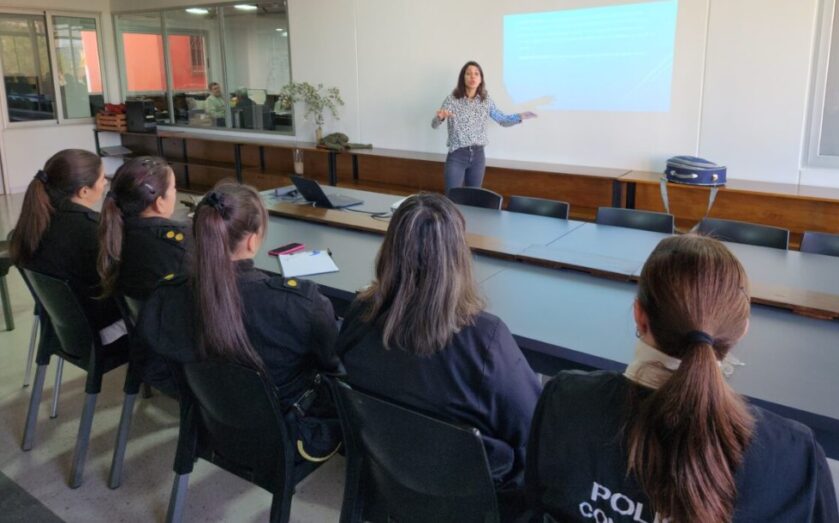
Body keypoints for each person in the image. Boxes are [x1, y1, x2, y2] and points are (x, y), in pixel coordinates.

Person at [524, 235, 839, 523]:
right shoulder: (794, 457)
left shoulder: (562, 401)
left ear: (639, 315)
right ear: (742, 329)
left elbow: (537, 506)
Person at [335, 193, 541, 489]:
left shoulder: (358, 314)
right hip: (468, 491)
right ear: (458, 255)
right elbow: (532, 426)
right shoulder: (485, 338)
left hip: (384, 469)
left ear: (389, 249)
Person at [133, 181, 342, 461]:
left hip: (210, 421)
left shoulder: (167, 294)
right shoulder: (299, 304)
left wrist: (199, 397)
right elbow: (335, 368)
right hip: (289, 432)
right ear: (253, 240)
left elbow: (152, 367)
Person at [9, 149, 123, 343]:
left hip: (64, 330)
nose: (105, 183)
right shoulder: (91, 231)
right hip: (98, 331)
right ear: (84, 191)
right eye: (102, 178)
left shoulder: (33, 225)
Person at [432, 60, 536, 193]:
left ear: (481, 79)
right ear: (462, 78)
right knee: (453, 198)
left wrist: (520, 116)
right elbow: (434, 125)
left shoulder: (485, 100)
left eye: (476, 74)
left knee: (474, 199)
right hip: (457, 155)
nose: (472, 77)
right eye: (468, 74)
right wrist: (440, 118)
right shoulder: (452, 99)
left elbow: (502, 120)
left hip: (478, 156)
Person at [97, 156, 191, 301]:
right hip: (174, 321)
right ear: (159, 203)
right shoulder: (183, 242)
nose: (175, 192)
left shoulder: (113, 233)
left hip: (140, 320)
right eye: (173, 188)